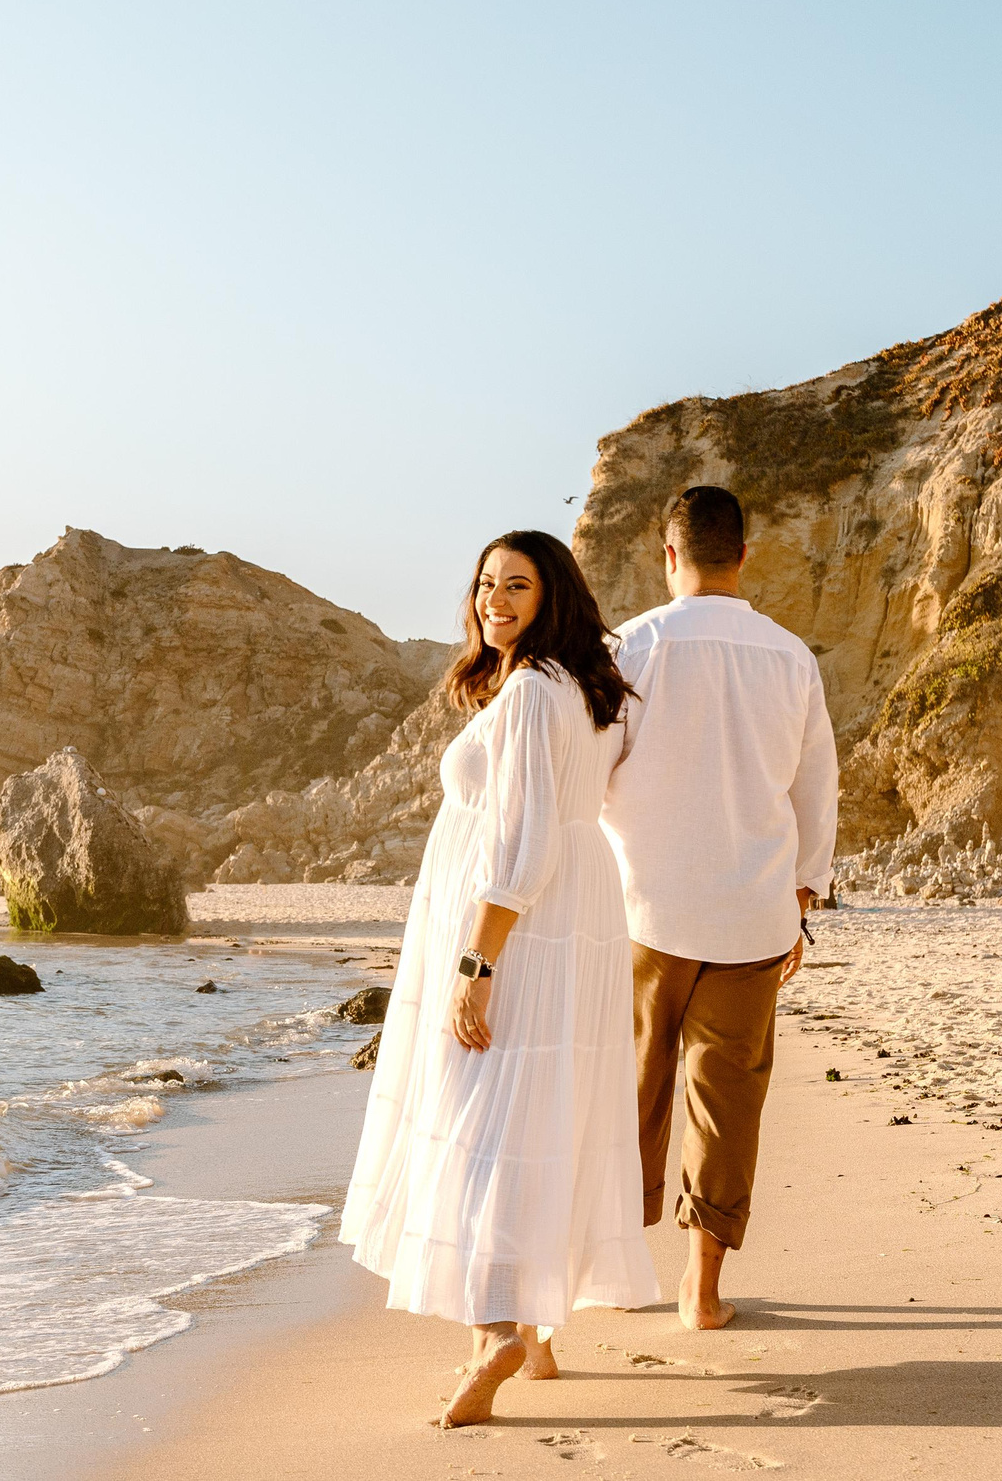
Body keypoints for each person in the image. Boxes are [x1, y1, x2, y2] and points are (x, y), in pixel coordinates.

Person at [339, 530, 659, 1426]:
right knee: (537, 1106)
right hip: (578, 922)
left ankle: (493, 1335)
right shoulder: (587, 689)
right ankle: (541, 1329)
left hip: (524, 926)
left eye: (517, 585)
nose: (495, 600)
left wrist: (478, 964)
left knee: (479, 1118)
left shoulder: (528, 692)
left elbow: (521, 847)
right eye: (486, 584)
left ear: (553, 593)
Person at [602, 485, 838, 1329]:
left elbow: (590, 775)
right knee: (725, 1098)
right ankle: (699, 1292)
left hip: (640, 912)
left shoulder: (627, 647)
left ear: (668, 556)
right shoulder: (790, 656)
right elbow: (815, 790)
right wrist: (801, 896)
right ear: (745, 554)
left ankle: (614, 1270)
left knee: (628, 1092)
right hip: (751, 917)